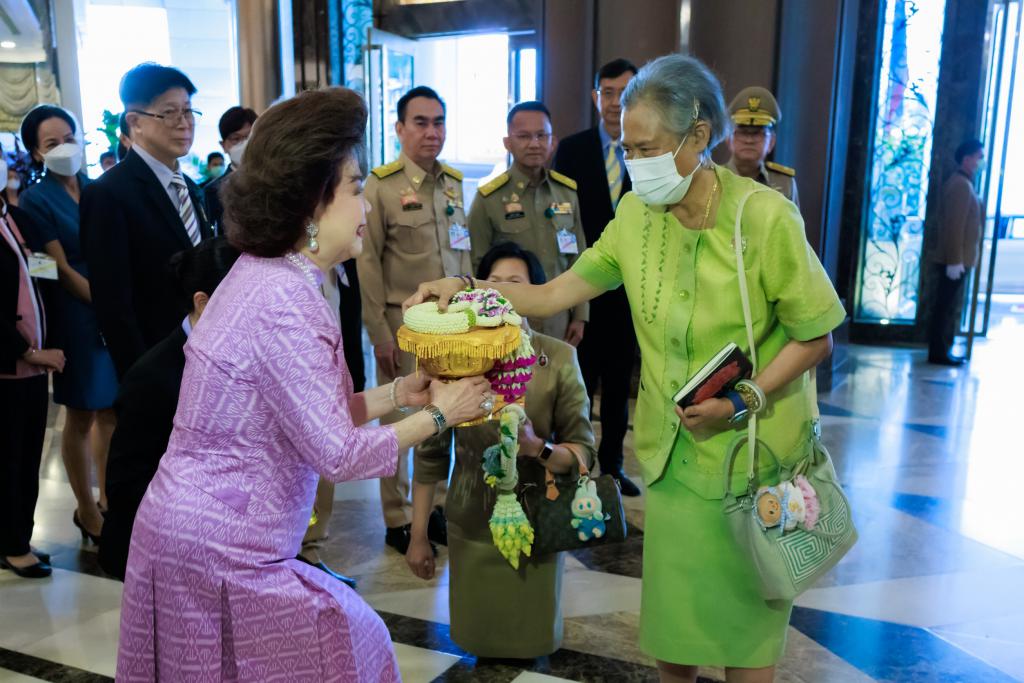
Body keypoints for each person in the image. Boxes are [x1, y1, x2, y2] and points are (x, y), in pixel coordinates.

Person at [408, 54, 846, 683]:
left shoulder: (765, 217)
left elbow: (816, 336)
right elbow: (551, 293)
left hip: (753, 462)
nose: (634, 161)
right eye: (626, 146)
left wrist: (741, 398)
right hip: (674, 461)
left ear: (698, 136)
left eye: (646, 147)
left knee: (747, 639)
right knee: (674, 631)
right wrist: (465, 284)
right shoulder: (637, 217)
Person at [115, 86, 491, 681]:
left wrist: (398, 395)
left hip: (204, 538)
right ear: (313, 205)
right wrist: (441, 413)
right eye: (354, 188)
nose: (366, 206)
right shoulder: (283, 300)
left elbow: (306, 409)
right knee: (347, 641)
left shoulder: (271, 274)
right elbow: (338, 454)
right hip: (219, 551)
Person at [407, 241, 595, 658]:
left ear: (532, 293)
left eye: (516, 283)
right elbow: (431, 455)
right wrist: (418, 534)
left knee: (531, 641)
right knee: (479, 644)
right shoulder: (456, 357)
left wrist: (538, 448)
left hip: (537, 524)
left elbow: (583, 453)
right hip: (470, 519)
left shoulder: (559, 359)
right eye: (494, 281)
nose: (503, 291)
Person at [357, 85, 470, 553]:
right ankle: (396, 516)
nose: (432, 132)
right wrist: (379, 334)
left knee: (446, 416)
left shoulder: (454, 183)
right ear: (399, 128)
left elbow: (465, 254)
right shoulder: (380, 186)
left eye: (439, 122)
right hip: (404, 329)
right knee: (401, 422)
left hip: (455, 326)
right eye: (420, 122)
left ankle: (435, 508)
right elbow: (366, 264)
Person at [99, 237, 239, 581]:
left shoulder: (237, 356)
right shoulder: (154, 378)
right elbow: (126, 488)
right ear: (202, 303)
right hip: (162, 554)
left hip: (221, 545)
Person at [20, 105, 119, 545]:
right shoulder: (35, 199)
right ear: (36, 154)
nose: (64, 148)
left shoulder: (96, 187)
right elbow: (52, 267)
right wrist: (103, 299)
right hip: (74, 311)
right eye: (51, 144)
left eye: (69, 138)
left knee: (111, 409)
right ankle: (85, 508)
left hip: (109, 305)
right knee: (81, 411)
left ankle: (111, 500)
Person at [81, 63, 213, 379]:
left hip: (208, 359)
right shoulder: (108, 193)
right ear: (135, 122)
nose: (184, 124)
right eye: (170, 113)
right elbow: (114, 305)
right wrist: (140, 380)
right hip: (158, 365)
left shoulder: (192, 189)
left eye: (188, 111)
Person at [551, 58, 641, 497]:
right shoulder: (571, 149)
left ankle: (614, 466)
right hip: (581, 289)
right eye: (608, 93)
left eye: (625, 92)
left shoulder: (650, 148)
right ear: (595, 97)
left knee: (621, 384)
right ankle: (577, 464)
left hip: (630, 294)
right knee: (579, 386)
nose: (615, 103)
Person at [468, 101, 588, 343]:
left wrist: (580, 314)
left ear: (552, 141)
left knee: (556, 378)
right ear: (507, 142)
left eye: (541, 135)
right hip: (509, 317)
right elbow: (475, 265)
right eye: (523, 136)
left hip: (558, 316)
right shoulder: (488, 198)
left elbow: (579, 258)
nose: (534, 144)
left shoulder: (566, 193)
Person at [1, 178, 66, 579]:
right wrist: (25, 351)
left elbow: (44, 277)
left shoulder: (17, 218)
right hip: (8, 365)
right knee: (7, 460)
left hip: (33, 366)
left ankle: (17, 536)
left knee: (26, 458)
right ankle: (10, 544)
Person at [928, 138, 984, 366]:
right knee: (943, 307)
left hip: (958, 259)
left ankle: (943, 349)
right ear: (967, 158)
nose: (981, 162)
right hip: (955, 260)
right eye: (979, 157)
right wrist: (955, 261)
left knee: (947, 307)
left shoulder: (965, 183)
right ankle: (939, 352)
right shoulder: (960, 185)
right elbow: (955, 226)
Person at [725, 86, 799, 206]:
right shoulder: (712, 180)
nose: (749, 140)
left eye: (757, 133)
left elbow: (794, 225)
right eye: (742, 132)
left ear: (771, 142)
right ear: (728, 138)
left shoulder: (784, 183)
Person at [203, 105, 257, 233]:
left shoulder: (274, 180)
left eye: (250, 137)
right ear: (223, 146)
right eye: (236, 139)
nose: (245, 144)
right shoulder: (213, 190)